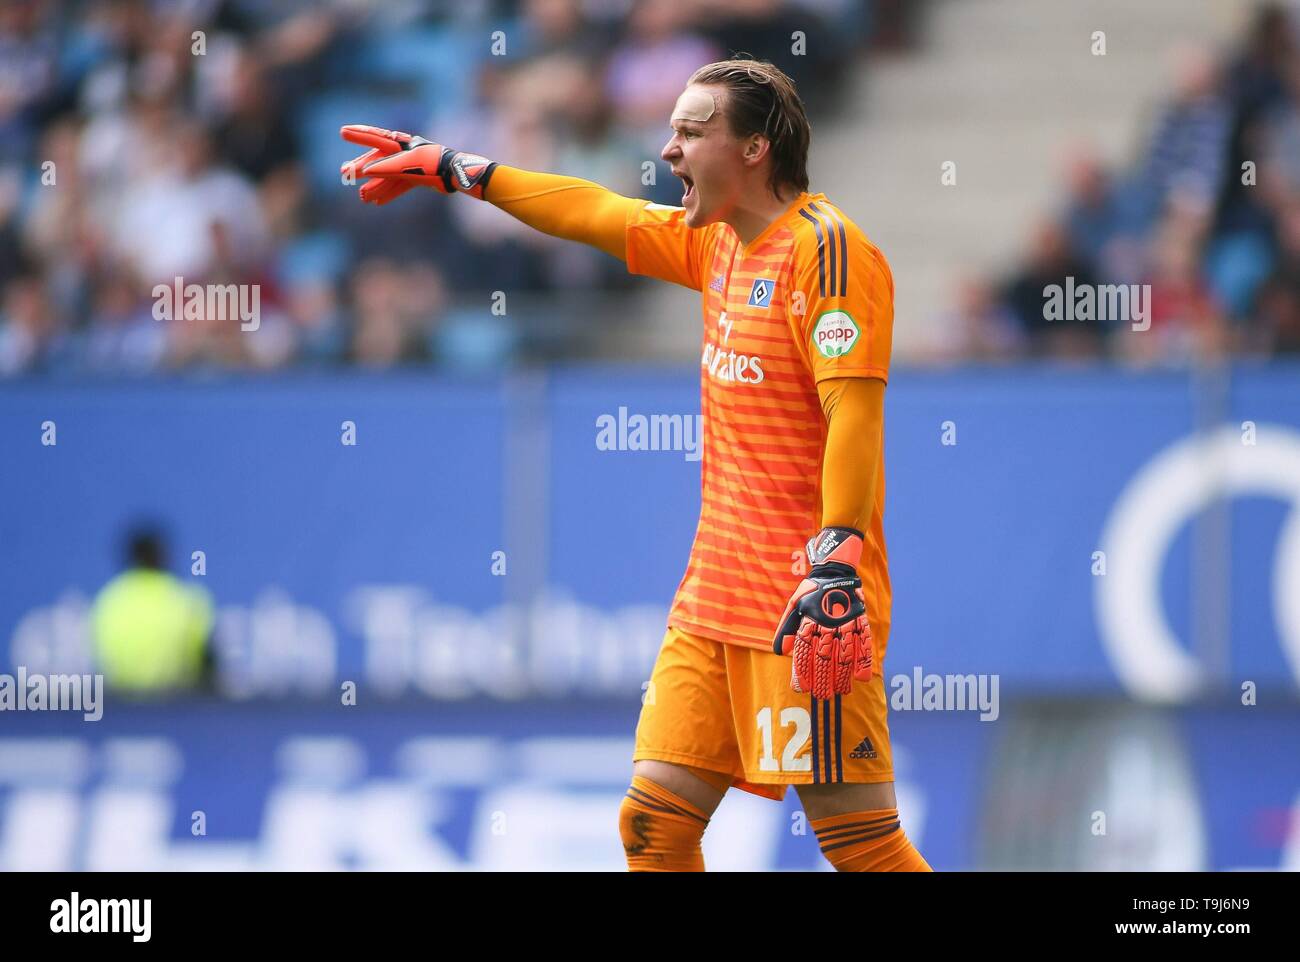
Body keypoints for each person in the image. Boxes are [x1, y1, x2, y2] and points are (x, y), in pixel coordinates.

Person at [342, 57, 931, 872]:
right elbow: (596, 211)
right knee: (652, 826)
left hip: (806, 603)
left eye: (692, 131)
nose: (669, 150)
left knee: (860, 845)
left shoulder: (827, 254)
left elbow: (854, 414)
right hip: (712, 599)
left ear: (756, 148)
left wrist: (836, 562)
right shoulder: (717, 243)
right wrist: (459, 169)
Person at [92, 526, 215, 695]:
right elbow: (206, 667)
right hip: (176, 708)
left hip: (120, 707)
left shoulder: (108, 600)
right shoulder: (184, 600)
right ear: (162, 556)